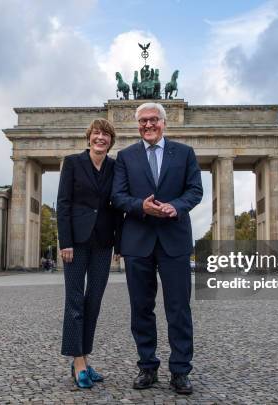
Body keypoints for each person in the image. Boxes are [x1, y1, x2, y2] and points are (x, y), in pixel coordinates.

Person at [112, 102, 203, 395]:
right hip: (138, 240)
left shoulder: (185, 153)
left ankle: (180, 370)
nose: (148, 125)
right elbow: (117, 196)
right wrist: (141, 206)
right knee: (141, 308)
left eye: (153, 120)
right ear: (137, 125)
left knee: (178, 308)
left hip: (174, 239)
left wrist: (175, 207)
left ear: (164, 123)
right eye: (143, 121)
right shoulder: (125, 157)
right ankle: (147, 366)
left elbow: (195, 190)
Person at [57, 118, 122, 389]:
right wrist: (65, 242)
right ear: (89, 137)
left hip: (103, 242)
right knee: (74, 301)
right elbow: (63, 203)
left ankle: (85, 357)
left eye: (105, 135)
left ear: (110, 141)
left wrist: (119, 245)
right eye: (97, 133)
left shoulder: (114, 166)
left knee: (93, 301)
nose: (100, 138)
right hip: (77, 242)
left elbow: (117, 206)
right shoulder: (72, 162)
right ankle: (79, 361)